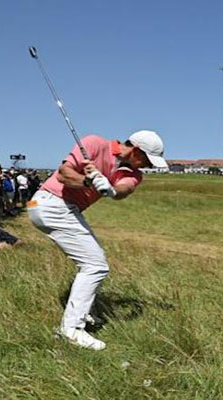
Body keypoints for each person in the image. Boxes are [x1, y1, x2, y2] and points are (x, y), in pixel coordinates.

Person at [28, 130, 167, 350]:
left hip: (65, 209)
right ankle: (72, 329)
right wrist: (87, 181)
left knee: (93, 262)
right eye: (146, 160)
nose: (147, 165)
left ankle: (84, 313)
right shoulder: (94, 143)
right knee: (95, 266)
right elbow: (64, 174)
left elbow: (125, 189)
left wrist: (110, 190)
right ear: (136, 149)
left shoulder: (133, 172)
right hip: (50, 204)